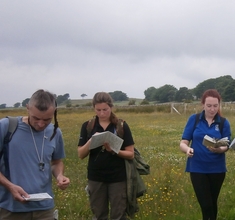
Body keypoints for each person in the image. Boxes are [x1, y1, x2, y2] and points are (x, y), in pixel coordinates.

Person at [0, 89, 70, 220]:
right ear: (28, 108)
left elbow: (56, 162)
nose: (41, 124)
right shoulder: (6, 127)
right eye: (36, 118)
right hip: (11, 209)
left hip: (44, 209)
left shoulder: (55, 132)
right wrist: (10, 186)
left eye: (47, 120)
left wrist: (60, 176)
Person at [78, 92, 135, 220]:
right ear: (93, 108)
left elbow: (130, 154)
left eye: (105, 110)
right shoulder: (87, 126)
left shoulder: (121, 126)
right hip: (96, 177)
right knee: (99, 215)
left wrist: (114, 150)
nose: (102, 113)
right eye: (98, 110)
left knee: (119, 215)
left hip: (118, 177)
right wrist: (91, 141)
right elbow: (81, 154)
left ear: (111, 107)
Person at [179, 89, 231, 220]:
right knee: (206, 204)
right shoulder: (194, 119)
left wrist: (220, 149)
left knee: (212, 203)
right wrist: (187, 150)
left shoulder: (224, 122)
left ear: (219, 105)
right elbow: (183, 142)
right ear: (203, 104)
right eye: (209, 106)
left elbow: (227, 144)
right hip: (197, 168)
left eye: (215, 106)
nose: (212, 109)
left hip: (217, 169)